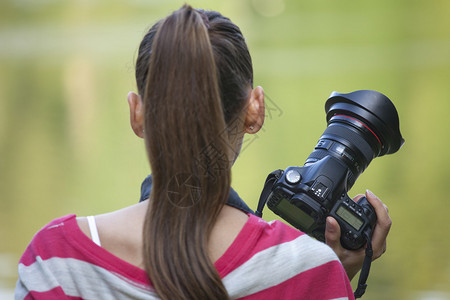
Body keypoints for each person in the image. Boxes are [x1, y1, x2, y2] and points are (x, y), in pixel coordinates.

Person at [15, 5, 391, 300]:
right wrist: (334, 275)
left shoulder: (56, 258)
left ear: (137, 113)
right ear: (254, 110)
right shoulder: (305, 269)